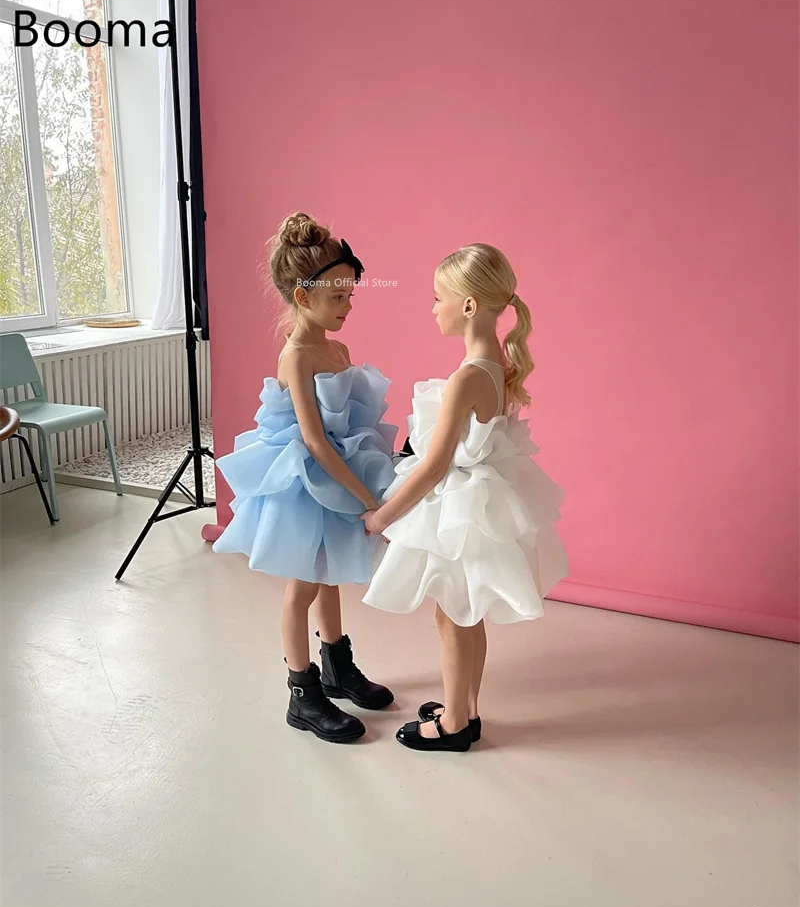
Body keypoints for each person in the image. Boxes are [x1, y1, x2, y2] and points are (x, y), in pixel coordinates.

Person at [362, 243, 568, 752]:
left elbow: (433, 466)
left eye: (438, 298)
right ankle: (466, 708)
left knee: (451, 615)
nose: (433, 308)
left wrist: (382, 517)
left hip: (458, 508)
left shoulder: (467, 377)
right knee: (465, 610)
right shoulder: (495, 365)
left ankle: (454, 724)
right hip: (478, 504)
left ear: (469, 305)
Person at [214, 212, 397, 743]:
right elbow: (315, 439)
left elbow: (349, 421)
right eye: (336, 297)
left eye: (350, 295)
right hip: (308, 479)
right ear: (302, 297)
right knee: (304, 584)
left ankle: (338, 665)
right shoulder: (295, 355)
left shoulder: (336, 349)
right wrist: (367, 497)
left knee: (330, 571)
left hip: (338, 470)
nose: (347, 305)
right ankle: (303, 692)